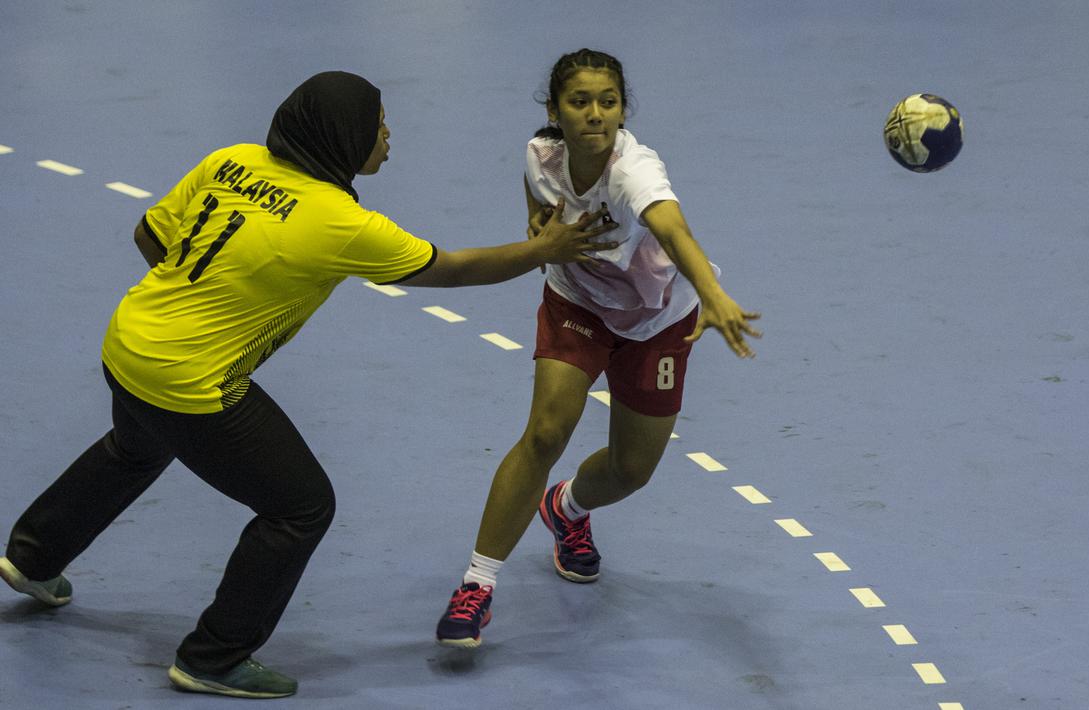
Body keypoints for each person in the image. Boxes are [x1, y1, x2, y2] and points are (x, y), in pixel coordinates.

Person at [0, 70, 616, 699]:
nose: (387, 135)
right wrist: (544, 249)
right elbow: (451, 270)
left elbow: (149, 236)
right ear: (342, 136)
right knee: (300, 508)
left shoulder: (232, 160)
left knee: (135, 447)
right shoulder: (339, 221)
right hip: (191, 381)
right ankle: (213, 657)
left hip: (129, 342)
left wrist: (207, 300)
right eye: (377, 125)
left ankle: (32, 556)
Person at [435, 49, 761, 647]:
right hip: (578, 304)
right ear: (555, 112)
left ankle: (566, 510)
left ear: (622, 110)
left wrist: (713, 293)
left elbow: (673, 229)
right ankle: (476, 587)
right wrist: (540, 233)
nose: (595, 114)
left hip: (658, 320)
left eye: (608, 102)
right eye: (580, 102)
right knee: (545, 434)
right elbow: (539, 199)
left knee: (630, 471)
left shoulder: (634, 172)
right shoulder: (540, 154)